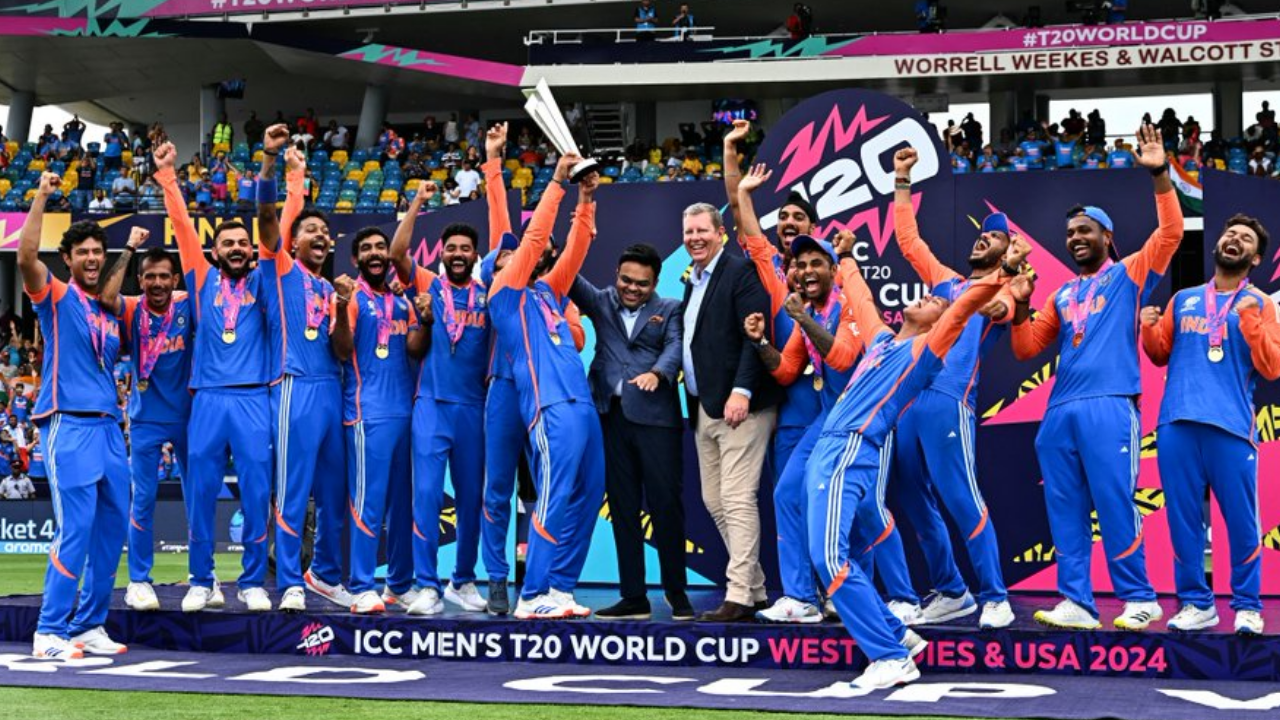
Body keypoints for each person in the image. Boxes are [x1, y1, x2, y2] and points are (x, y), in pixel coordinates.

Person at [810, 229, 1026, 689]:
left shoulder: (924, 351)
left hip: (851, 448)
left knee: (829, 559)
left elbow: (964, 307)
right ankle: (897, 635)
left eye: (934, 302)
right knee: (835, 554)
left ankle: (890, 656)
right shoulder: (882, 339)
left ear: (936, 324)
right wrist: (846, 257)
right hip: (828, 448)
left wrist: (1005, 272)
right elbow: (862, 298)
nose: (929, 296)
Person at [1009, 124, 1183, 631]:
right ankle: (1077, 603)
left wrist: (1159, 174)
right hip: (1059, 410)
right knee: (1064, 510)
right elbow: (1025, 349)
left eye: (1085, 230)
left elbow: (1170, 234)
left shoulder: (1127, 273)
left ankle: (1139, 596)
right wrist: (1020, 306)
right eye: (1070, 234)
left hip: (1110, 403)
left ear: (1106, 236)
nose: (1075, 239)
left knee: (1113, 500)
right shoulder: (1061, 295)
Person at [735, 163, 917, 624]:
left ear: (835, 271)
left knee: (868, 509)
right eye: (800, 263)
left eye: (817, 262)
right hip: (829, 421)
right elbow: (788, 369)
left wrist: (803, 319)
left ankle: (902, 598)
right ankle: (802, 598)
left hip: (870, 419)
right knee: (788, 493)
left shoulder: (849, 304)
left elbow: (841, 357)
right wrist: (760, 343)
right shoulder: (810, 309)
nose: (807, 269)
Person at [890, 147, 1017, 629]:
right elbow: (908, 241)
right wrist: (902, 179)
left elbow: (999, 313)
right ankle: (951, 590)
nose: (983, 241)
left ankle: (995, 595)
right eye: (982, 235)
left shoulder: (1004, 288)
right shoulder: (946, 281)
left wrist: (995, 292)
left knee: (962, 497)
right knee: (912, 498)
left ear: (1008, 251)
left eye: (995, 238)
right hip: (908, 399)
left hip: (949, 401)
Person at [1140, 214, 1278, 636]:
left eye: (1245, 239)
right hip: (1177, 422)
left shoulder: (1261, 302)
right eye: (1230, 233)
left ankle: (1247, 606)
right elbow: (1161, 353)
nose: (1234, 239)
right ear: (1219, 245)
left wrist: (1253, 323)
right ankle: (1197, 604)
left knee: (1240, 521)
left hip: (1231, 427)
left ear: (1254, 258)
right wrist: (1148, 327)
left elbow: (1271, 368)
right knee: (1183, 521)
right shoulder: (1184, 298)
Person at [155, 140, 275, 614]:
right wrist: (167, 175)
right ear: (215, 250)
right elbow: (183, 226)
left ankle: (252, 582)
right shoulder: (201, 280)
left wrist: (269, 166)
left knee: (257, 493)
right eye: (228, 244)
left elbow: (270, 236)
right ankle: (201, 579)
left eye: (243, 244)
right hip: (205, 399)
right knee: (200, 493)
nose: (237, 249)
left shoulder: (265, 281)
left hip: (252, 398)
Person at [19, 172, 130, 659]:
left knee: (112, 529)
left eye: (96, 252)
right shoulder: (57, 296)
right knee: (76, 528)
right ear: (67, 259)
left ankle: (88, 625)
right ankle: (49, 632)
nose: (91, 258)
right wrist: (42, 196)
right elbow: (25, 258)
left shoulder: (106, 311)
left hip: (109, 427)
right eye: (82, 252)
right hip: (69, 422)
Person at [488, 153, 603, 620]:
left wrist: (587, 197)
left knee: (589, 495)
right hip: (549, 407)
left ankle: (559, 587)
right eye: (506, 257)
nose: (519, 258)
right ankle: (532, 594)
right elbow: (536, 241)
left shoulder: (549, 294)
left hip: (583, 406)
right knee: (554, 495)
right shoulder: (503, 297)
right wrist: (557, 183)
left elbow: (575, 248)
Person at [254, 125, 350, 613]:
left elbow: (339, 349)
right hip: (294, 388)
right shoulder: (281, 269)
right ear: (292, 243)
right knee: (293, 491)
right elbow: (268, 216)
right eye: (311, 230)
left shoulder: (328, 287)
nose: (322, 236)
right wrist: (273, 161)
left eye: (325, 233)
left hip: (331, 388)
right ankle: (290, 578)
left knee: (336, 493)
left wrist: (343, 307)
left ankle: (327, 575)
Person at [570, 243, 690, 620]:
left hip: (657, 421)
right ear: (616, 275)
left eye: (641, 283)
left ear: (655, 282)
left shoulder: (670, 308)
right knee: (622, 508)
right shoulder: (601, 300)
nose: (632, 288)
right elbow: (568, 277)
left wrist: (657, 374)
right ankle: (633, 596)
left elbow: (675, 347)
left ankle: (676, 592)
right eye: (626, 280)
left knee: (665, 507)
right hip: (610, 418)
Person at [389, 180, 491, 616]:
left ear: (475, 255)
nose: (457, 254)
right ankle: (427, 584)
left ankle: (462, 581)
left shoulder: (489, 292)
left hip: (473, 409)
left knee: (471, 499)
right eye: (451, 248)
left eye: (466, 248)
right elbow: (397, 254)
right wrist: (417, 203)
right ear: (442, 253)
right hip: (429, 405)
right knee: (427, 496)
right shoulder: (427, 283)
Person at [681, 200, 781, 622]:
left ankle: (738, 593)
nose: (695, 238)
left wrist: (741, 389)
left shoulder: (740, 271)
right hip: (705, 406)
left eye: (702, 230)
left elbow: (752, 334)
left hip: (743, 406)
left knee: (737, 499)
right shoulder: (693, 281)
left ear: (720, 232)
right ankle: (754, 587)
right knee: (714, 500)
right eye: (688, 232)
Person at [331, 228, 430, 614]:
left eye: (380, 248)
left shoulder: (403, 301)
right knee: (367, 503)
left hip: (406, 412)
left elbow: (415, 350)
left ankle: (399, 584)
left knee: (404, 505)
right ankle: (360, 585)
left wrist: (427, 321)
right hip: (365, 412)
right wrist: (339, 308)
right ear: (356, 260)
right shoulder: (351, 296)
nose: (375, 254)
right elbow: (341, 350)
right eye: (366, 249)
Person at [98, 226, 193, 613]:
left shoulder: (189, 303)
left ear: (175, 278)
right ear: (141, 279)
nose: (156, 283)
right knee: (144, 502)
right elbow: (106, 296)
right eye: (149, 275)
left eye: (163, 276)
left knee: (199, 499)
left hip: (190, 417)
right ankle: (139, 581)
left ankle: (204, 576)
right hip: (145, 420)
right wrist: (130, 247)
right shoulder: (132, 307)